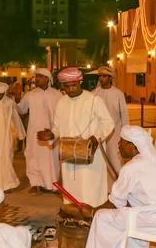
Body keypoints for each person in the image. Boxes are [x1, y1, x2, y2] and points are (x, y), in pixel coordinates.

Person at [37, 68, 115, 207]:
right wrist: (52, 135)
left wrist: (96, 137)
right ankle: (72, 217)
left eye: (74, 85)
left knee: (90, 188)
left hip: (91, 154)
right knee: (71, 188)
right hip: (69, 155)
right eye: (67, 86)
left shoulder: (94, 100)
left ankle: (93, 217)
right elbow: (57, 127)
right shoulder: (61, 102)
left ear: (80, 82)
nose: (71, 89)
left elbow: (108, 123)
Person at [16, 68, 62, 194]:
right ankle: (35, 183)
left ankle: (52, 184)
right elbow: (22, 110)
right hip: (34, 132)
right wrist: (16, 99)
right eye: (37, 76)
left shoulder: (57, 95)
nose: (37, 79)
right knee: (33, 156)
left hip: (52, 133)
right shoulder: (30, 95)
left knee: (51, 159)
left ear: (47, 78)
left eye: (40, 76)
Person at [92, 66, 130, 180]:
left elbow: (124, 115)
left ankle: (118, 187)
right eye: (100, 76)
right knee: (99, 160)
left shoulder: (118, 94)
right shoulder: (94, 93)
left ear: (110, 78)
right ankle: (103, 189)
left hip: (115, 133)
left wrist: (126, 135)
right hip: (99, 133)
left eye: (104, 76)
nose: (101, 79)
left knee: (115, 159)